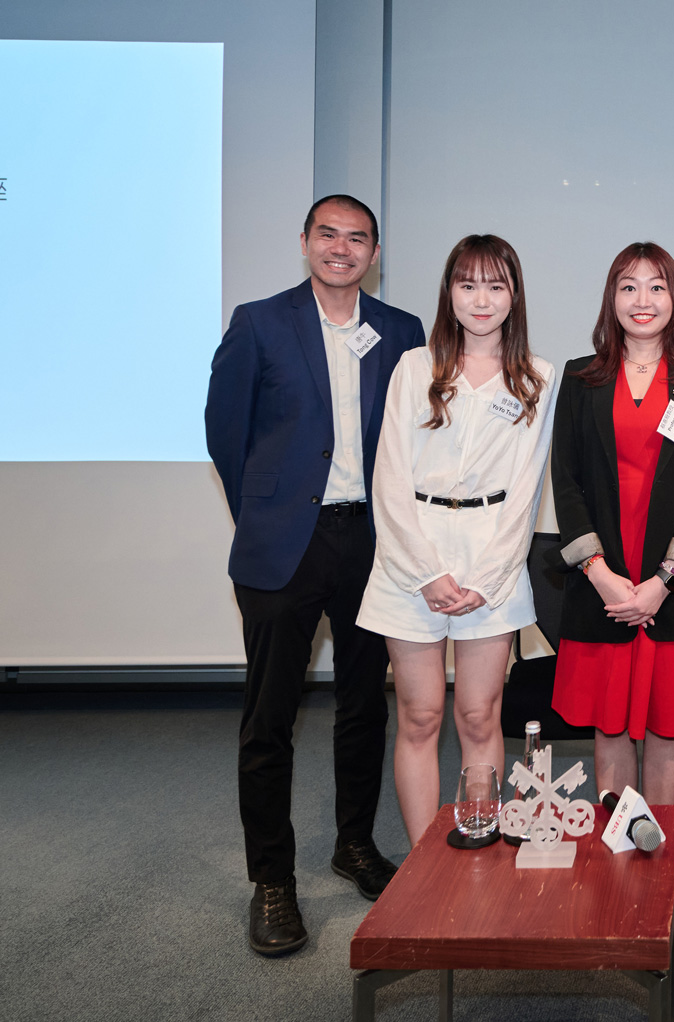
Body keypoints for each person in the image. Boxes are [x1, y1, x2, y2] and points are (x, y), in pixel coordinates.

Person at [205, 194, 424, 957]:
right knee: (270, 719)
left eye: (357, 237)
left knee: (365, 706)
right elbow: (226, 434)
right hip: (282, 546)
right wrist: (265, 514)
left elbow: (411, 439)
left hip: (371, 541)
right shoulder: (259, 322)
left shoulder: (401, 331)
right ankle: (271, 881)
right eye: (327, 234)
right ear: (304, 242)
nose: (341, 248)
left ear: (374, 251)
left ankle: (354, 844)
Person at [357, 234, 556, 845]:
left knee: (478, 714)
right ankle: (423, 864)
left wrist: (484, 579)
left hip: (490, 563)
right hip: (408, 557)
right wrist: (427, 573)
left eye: (496, 285)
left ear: (515, 295)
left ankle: (476, 840)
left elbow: (525, 492)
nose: (481, 299)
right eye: (468, 284)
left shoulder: (537, 379)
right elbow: (388, 476)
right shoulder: (416, 366)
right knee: (419, 716)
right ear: (449, 291)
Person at [549, 242, 674, 806]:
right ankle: (616, 857)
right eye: (629, 286)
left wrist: (661, 581)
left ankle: (660, 862)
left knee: (665, 726)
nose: (643, 299)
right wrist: (602, 575)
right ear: (612, 298)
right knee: (608, 724)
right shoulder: (582, 379)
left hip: (670, 583)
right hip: (604, 582)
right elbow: (567, 481)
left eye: (657, 286)